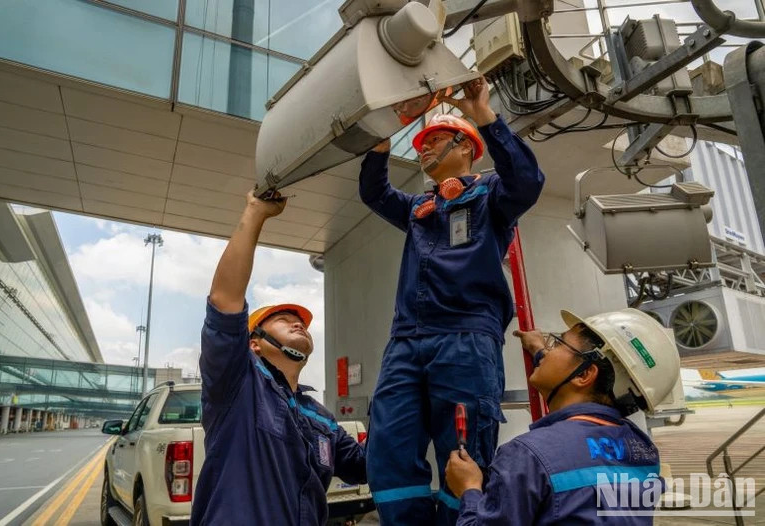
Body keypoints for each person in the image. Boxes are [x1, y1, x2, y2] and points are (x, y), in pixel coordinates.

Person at [359, 76, 545, 525]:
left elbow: (527, 181)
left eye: (436, 140)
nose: (423, 149)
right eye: (422, 142)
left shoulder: (491, 198)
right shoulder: (418, 208)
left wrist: (482, 110)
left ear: (466, 148)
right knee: (387, 448)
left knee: (463, 457)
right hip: (406, 341)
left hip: (466, 338)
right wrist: (385, 132)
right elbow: (375, 193)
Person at [191, 191, 367, 525]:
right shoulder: (238, 386)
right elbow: (224, 299)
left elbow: (365, 466)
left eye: (300, 321)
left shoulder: (322, 418)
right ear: (253, 344)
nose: (298, 322)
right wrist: (256, 212)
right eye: (283, 320)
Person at [446, 308, 681, 525]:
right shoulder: (643, 450)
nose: (547, 350)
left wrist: (469, 489)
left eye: (558, 343)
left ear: (586, 374)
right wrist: (539, 351)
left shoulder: (526, 455)